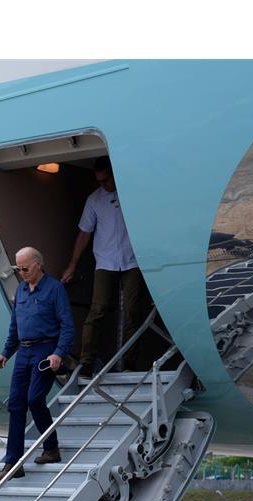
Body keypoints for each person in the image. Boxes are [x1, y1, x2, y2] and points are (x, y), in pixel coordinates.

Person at [0, 246, 75, 480]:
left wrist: (58, 353)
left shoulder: (54, 289)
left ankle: (51, 447)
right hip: (24, 352)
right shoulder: (21, 290)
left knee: (35, 399)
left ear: (38, 265)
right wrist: (6, 352)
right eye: (18, 269)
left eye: (24, 268)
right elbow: (15, 326)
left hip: (45, 350)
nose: (21, 272)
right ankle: (13, 463)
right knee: (16, 405)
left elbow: (68, 326)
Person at [62, 156, 149, 377]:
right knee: (97, 309)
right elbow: (84, 233)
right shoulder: (94, 199)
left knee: (132, 311)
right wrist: (72, 265)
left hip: (133, 259)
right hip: (105, 261)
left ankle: (130, 362)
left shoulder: (133, 194)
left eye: (106, 180)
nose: (104, 185)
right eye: (100, 181)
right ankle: (86, 362)